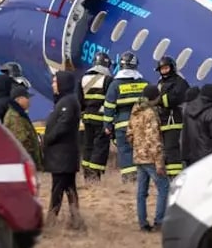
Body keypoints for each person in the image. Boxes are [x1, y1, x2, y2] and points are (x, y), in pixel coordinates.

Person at [41, 70, 84, 229]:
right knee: (69, 189)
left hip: (63, 156)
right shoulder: (63, 101)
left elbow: (63, 125)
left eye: (55, 82)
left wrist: (48, 138)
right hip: (61, 156)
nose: (53, 85)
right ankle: (76, 220)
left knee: (58, 189)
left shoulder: (68, 102)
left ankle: (51, 222)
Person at [127, 85, 168, 232]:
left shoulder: (135, 111)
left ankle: (143, 223)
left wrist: (138, 147)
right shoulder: (150, 113)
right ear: (154, 98)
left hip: (139, 156)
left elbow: (129, 134)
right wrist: (159, 162)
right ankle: (159, 222)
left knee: (141, 192)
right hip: (150, 157)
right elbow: (154, 139)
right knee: (164, 187)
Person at [102, 52, 147, 183]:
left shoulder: (115, 85)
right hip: (141, 124)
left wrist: (107, 126)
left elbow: (109, 107)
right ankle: (143, 178)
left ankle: (129, 179)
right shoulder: (144, 83)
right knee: (142, 151)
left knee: (125, 152)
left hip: (123, 125)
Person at [79, 52, 114, 182]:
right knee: (100, 147)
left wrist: (83, 113)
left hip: (87, 118)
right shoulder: (108, 80)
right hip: (101, 119)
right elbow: (110, 100)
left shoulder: (83, 79)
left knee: (88, 145)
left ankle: (87, 174)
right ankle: (94, 175)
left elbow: (79, 100)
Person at [154, 56, 189, 177]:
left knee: (172, 149)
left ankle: (175, 177)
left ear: (172, 68)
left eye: (166, 68)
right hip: (162, 120)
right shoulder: (160, 82)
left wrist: (157, 99)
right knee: (164, 150)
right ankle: (167, 175)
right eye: (162, 69)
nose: (164, 71)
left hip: (174, 121)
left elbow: (172, 99)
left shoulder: (180, 82)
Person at [180, 83, 212, 165]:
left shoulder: (188, 110)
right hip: (211, 159)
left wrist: (185, 157)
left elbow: (184, 136)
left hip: (192, 159)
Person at [3, 85, 42, 169]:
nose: (29, 100)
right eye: (27, 97)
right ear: (19, 99)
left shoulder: (19, 114)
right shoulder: (15, 117)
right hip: (23, 166)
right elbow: (21, 142)